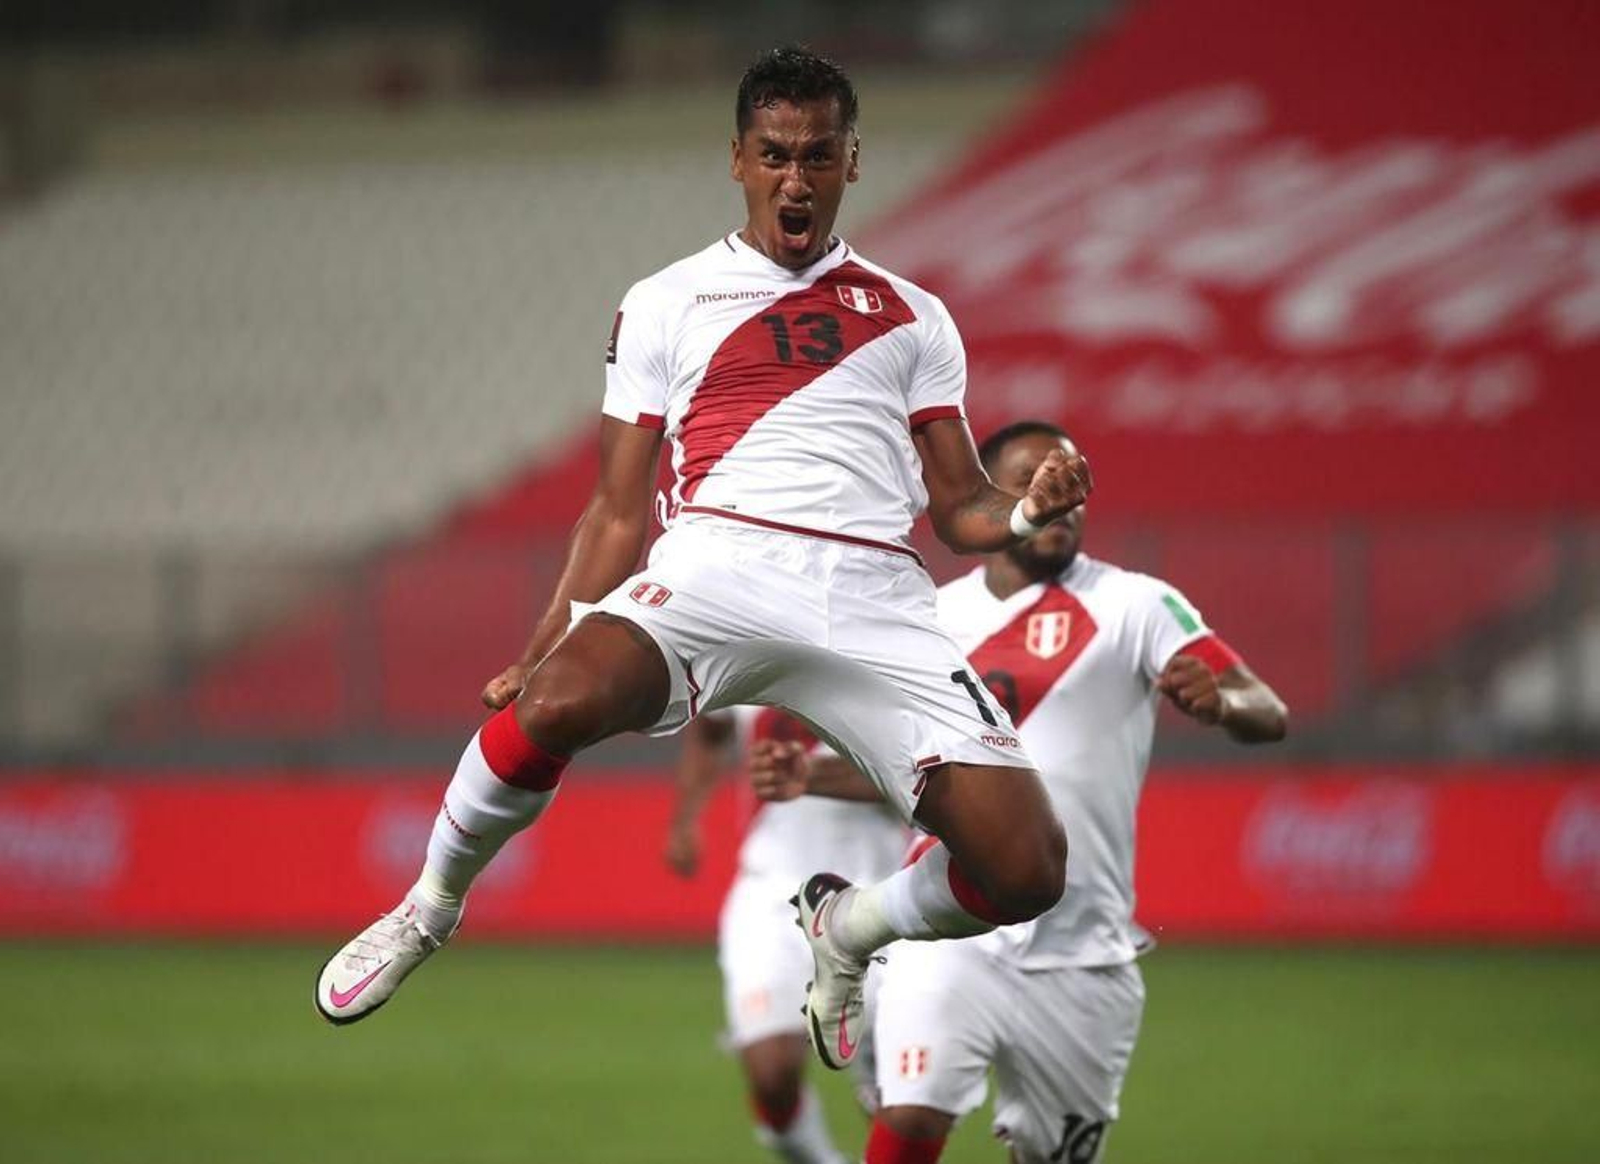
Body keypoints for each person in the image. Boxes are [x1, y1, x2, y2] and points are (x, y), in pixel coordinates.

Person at [314, 45, 1093, 1077]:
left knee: (1030, 868)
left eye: (818, 156)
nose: (794, 178)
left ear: (851, 163)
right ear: (735, 158)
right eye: (774, 154)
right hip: (719, 568)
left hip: (873, 597)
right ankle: (428, 907)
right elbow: (613, 508)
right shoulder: (666, 302)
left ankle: (851, 928)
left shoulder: (912, 315)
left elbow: (959, 511)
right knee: (544, 712)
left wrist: (1026, 512)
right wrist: (545, 644)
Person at [748, 421, 1289, 1164]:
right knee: (910, 1120)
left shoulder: (1137, 606)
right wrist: (815, 776)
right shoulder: (929, 619)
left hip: (1084, 952)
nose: (1061, 498)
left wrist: (1225, 704)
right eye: (1039, 480)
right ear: (996, 498)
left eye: (1073, 483)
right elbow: (919, 774)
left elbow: (1268, 708)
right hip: (955, 928)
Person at [664, 707, 905, 1163]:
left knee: (901, 1104)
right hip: (773, 893)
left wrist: (810, 774)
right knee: (771, 1077)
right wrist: (685, 818)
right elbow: (711, 732)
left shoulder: (891, 660)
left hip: (879, 897)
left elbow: (923, 773)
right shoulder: (753, 649)